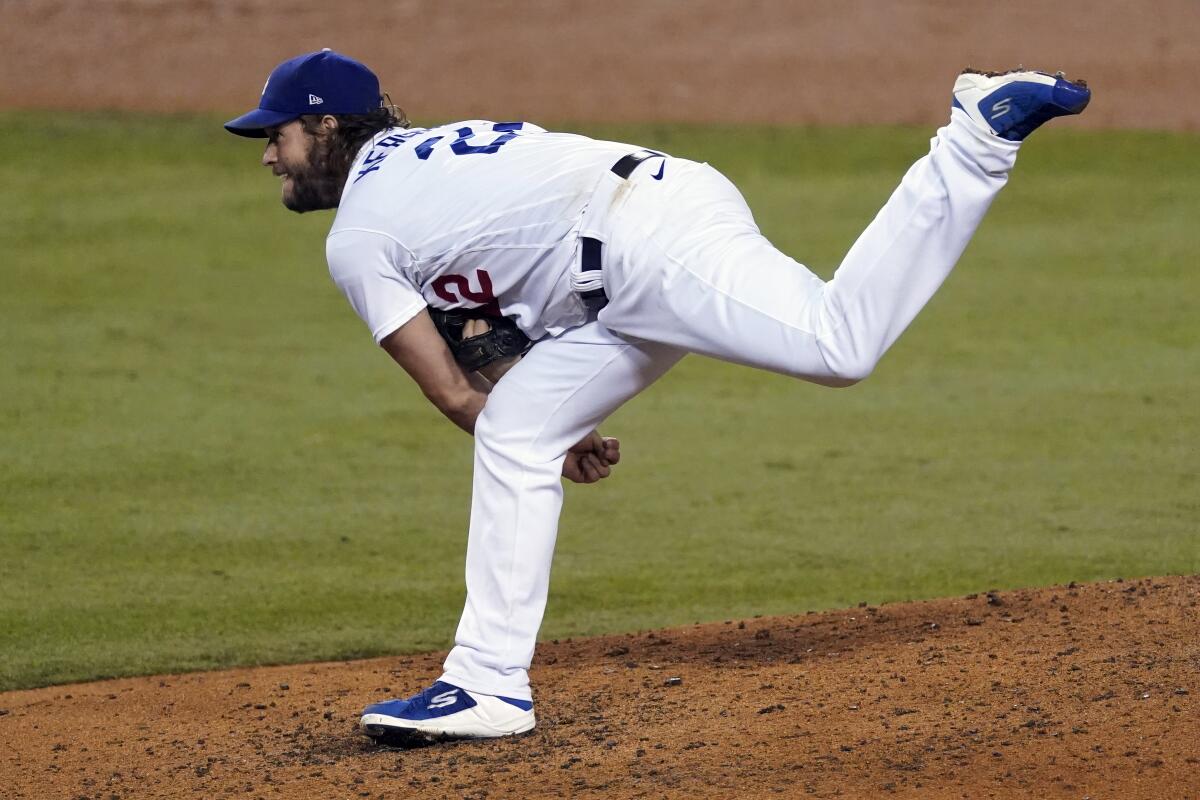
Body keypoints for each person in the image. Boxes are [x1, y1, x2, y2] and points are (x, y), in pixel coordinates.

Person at [225, 49, 1090, 743]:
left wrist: (544, 422)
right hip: (644, 234)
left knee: (839, 344)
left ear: (324, 124)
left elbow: (451, 389)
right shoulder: (425, 161)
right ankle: (486, 687)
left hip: (646, 249)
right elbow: (484, 338)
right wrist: (556, 424)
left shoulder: (361, 232)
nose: (269, 156)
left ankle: (974, 140)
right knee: (519, 433)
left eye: (277, 136)